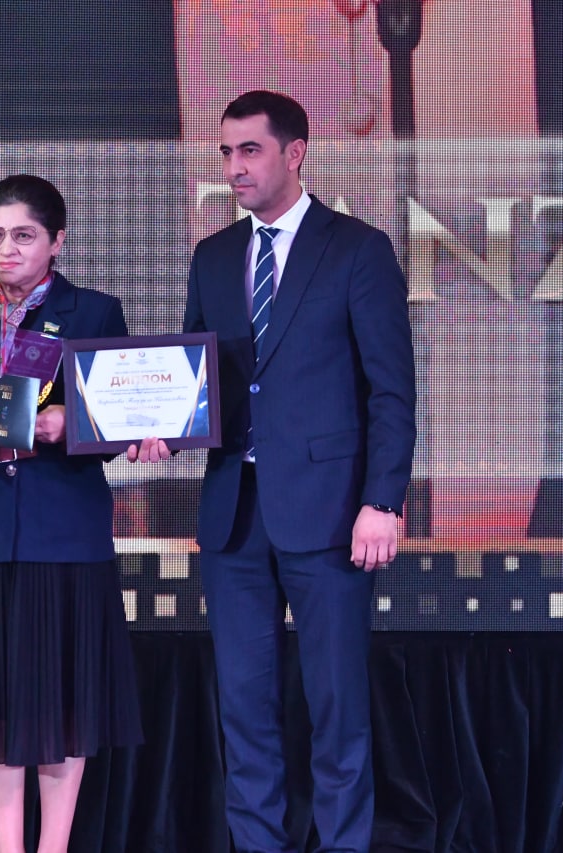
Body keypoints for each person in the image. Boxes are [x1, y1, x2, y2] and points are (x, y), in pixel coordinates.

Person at [130, 90, 416, 852]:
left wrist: (383, 500)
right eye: (226, 152)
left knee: (337, 707)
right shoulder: (215, 255)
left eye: (249, 150)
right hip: (234, 515)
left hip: (331, 512)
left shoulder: (357, 249)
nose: (234, 167)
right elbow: (201, 383)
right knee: (244, 707)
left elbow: (391, 390)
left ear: (295, 153)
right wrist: (161, 430)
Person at [0, 174, 142, 853]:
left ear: (56, 241)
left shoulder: (93, 312)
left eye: (23, 235)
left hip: (63, 531)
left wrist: (71, 425)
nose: (5, 249)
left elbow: (122, 421)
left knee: (63, 703)